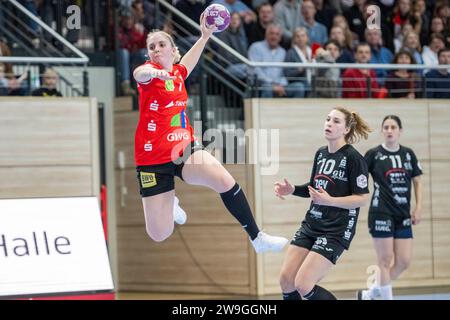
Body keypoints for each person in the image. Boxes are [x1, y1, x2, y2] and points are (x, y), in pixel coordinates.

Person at [132, 14, 288, 253]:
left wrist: (205, 35)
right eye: (151, 47)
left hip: (180, 147)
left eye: (161, 44)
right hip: (151, 157)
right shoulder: (149, 75)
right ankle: (170, 202)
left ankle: (257, 238)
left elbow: (189, 61)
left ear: (174, 52)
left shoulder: (178, 73)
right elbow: (138, 74)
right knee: (159, 234)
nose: (156, 49)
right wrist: (152, 73)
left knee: (223, 179)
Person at [276, 107, 371, 300]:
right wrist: (293, 189)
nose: (329, 123)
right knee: (286, 280)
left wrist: (331, 201)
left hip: (336, 230)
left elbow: (362, 198)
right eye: (328, 119)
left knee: (303, 284)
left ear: (346, 129)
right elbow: (314, 188)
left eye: (336, 121)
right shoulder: (321, 153)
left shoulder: (353, 158)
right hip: (312, 224)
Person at [357, 115, 423, 300]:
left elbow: (417, 181)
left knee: (403, 262)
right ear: (382, 131)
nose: (389, 130)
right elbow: (359, 176)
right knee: (384, 260)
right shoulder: (374, 154)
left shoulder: (408, 154)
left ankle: (371, 293)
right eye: (386, 127)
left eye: (393, 127)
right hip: (381, 212)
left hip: (403, 214)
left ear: (400, 131)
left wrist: (418, 208)